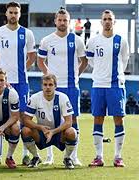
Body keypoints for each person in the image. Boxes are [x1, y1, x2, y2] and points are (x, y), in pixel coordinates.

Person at [37, 8, 87, 166]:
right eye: (60, 20)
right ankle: (49, 156)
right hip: (53, 87)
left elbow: (83, 61)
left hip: (71, 86)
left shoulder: (77, 40)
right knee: (50, 120)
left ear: (69, 21)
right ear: (55, 21)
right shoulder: (47, 40)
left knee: (73, 120)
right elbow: (40, 60)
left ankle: (73, 156)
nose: (62, 22)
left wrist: (76, 75)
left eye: (65, 20)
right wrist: (48, 76)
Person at [0, 1, 37, 165]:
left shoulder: (27, 33)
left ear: (19, 14)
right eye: (10, 12)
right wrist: (2, 72)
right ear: (6, 14)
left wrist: (21, 69)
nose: (13, 15)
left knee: (24, 119)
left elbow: (32, 57)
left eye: (16, 13)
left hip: (22, 82)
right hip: (3, 83)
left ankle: (25, 154)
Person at [86, 10, 129, 167]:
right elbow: (90, 60)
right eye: (105, 19)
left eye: (110, 19)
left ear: (114, 22)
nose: (107, 21)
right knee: (98, 119)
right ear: (101, 22)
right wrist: (101, 71)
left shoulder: (121, 40)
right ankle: (99, 156)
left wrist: (116, 74)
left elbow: (124, 60)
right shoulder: (93, 41)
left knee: (118, 119)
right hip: (98, 85)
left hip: (116, 85)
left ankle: (118, 156)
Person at [22, 74, 77, 169]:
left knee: (72, 132)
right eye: (45, 84)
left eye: (50, 85)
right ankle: (36, 157)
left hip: (58, 132)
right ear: (41, 86)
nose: (47, 87)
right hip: (41, 132)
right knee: (25, 131)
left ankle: (67, 158)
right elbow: (26, 120)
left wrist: (53, 131)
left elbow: (69, 122)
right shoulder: (35, 98)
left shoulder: (63, 98)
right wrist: (40, 127)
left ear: (55, 86)